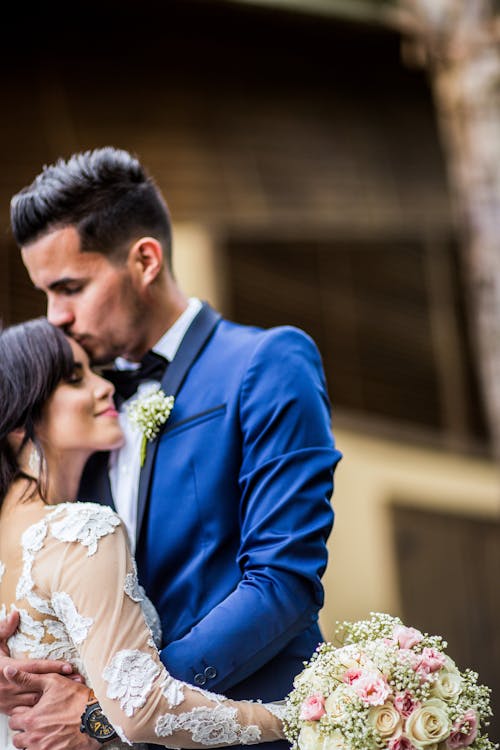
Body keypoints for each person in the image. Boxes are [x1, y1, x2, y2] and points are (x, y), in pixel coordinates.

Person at [0, 147, 341, 750]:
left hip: (244, 726)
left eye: (70, 288)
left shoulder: (264, 364)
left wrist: (112, 709)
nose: (55, 317)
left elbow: (282, 581)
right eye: (45, 293)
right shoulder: (80, 412)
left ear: (145, 260)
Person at [0, 317, 285, 750]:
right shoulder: (82, 531)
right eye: (76, 379)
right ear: (19, 417)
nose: (105, 387)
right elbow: (144, 709)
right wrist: (296, 716)